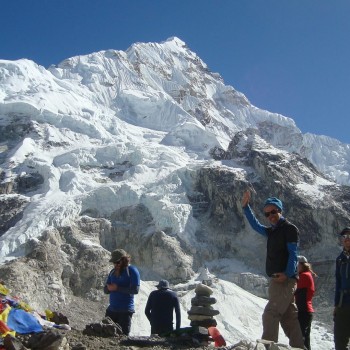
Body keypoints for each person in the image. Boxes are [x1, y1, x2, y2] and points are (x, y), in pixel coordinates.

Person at [241, 190, 304, 349]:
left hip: (284, 280)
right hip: (279, 280)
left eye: (273, 212)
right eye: (267, 214)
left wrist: (287, 274)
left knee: (270, 314)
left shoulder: (289, 229)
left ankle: (267, 347)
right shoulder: (272, 230)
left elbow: (293, 253)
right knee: (289, 317)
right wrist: (246, 207)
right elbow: (256, 225)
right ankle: (299, 347)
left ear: (280, 210)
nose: (270, 216)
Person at [104, 248, 140, 335]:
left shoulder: (132, 271)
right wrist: (109, 288)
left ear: (124, 260)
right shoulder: (112, 272)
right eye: (114, 262)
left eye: (117, 262)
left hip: (125, 311)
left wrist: (117, 288)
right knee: (106, 335)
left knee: (122, 336)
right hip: (112, 310)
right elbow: (105, 290)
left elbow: (135, 290)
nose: (115, 264)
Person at [295, 255, 316, 350]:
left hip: (304, 311)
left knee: (302, 339)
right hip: (304, 310)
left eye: (297, 264)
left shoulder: (304, 276)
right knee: (304, 338)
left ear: (302, 265)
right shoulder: (307, 275)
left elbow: (294, 289)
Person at [334, 227, 350, 350]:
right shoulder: (340, 259)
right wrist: (336, 306)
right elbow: (338, 283)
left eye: (349, 236)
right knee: (339, 341)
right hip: (342, 304)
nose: (347, 239)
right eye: (344, 237)